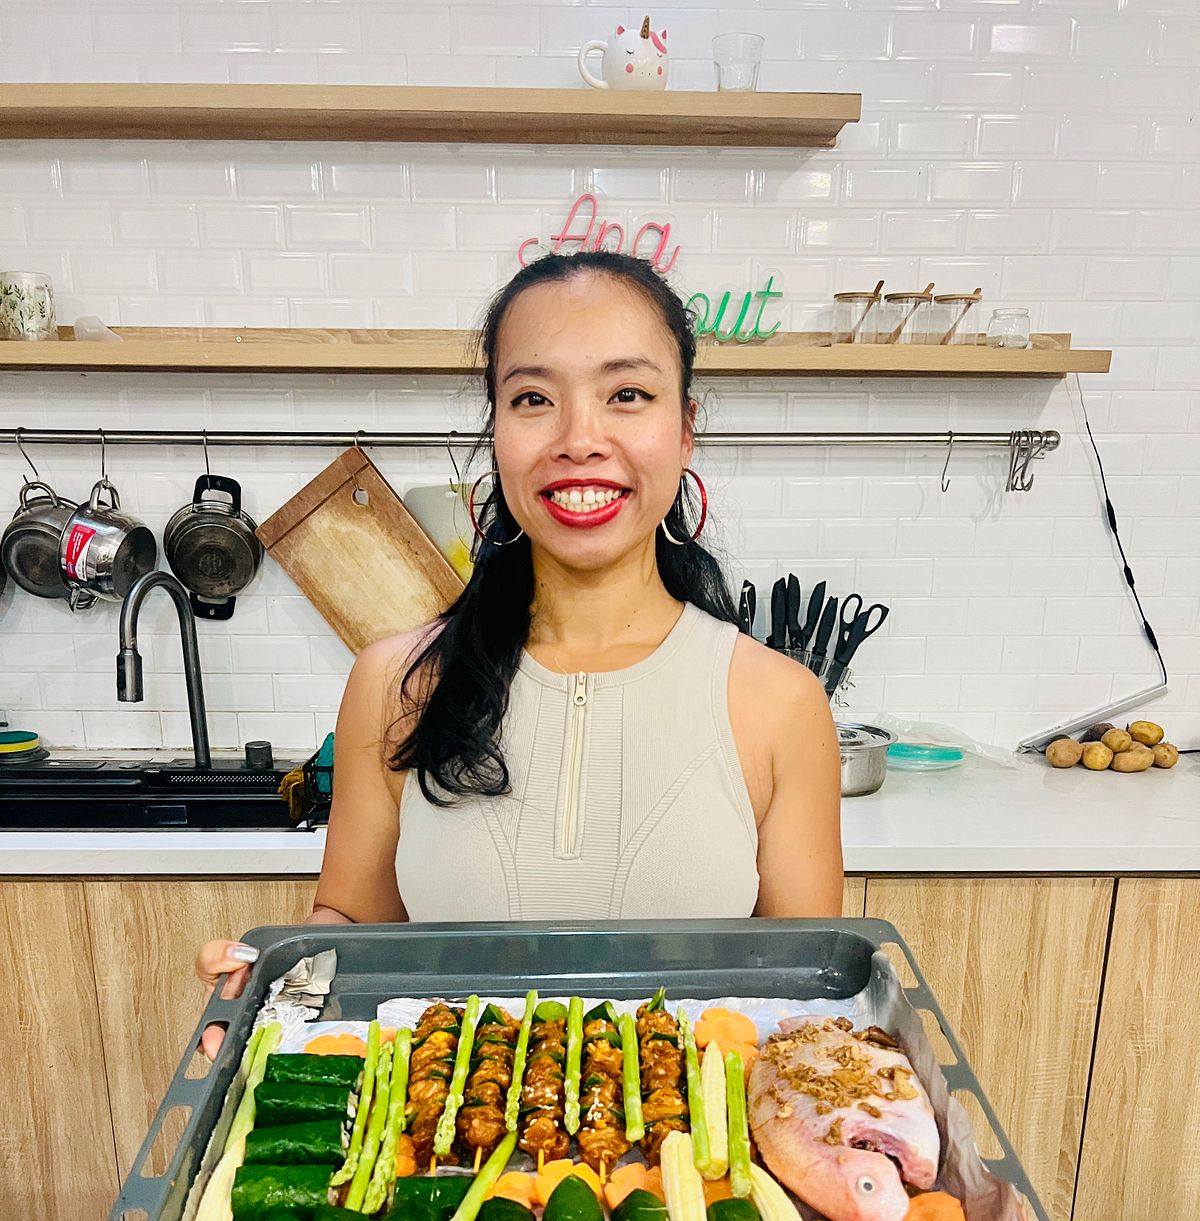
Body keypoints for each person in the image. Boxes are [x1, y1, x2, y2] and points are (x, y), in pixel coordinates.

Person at [197, 251, 842, 1053]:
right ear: (496, 432)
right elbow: (352, 932)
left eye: (627, 395)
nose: (579, 439)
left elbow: (805, 1000)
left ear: (684, 431)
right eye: (534, 398)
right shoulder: (395, 682)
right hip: (439, 1124)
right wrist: (267, 1000)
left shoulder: (781, 702)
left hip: (688, 1134)